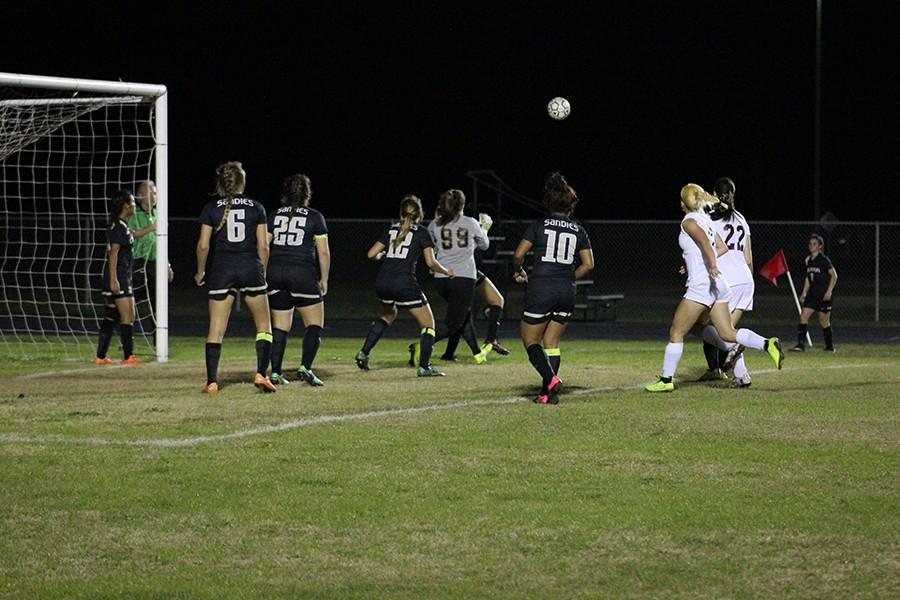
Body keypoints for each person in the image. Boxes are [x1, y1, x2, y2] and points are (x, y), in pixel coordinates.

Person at [645, 184, 783, 393]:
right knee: (727, 333)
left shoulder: (690, 221)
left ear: (683, 203)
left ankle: (666, 380)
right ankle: (766, 344)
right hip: (719, 286)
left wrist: (711, 265)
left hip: (702, 286)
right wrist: (699, 262)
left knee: (676, 331)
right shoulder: (706, 220)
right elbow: (722, 247)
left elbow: (707, 245)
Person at [511, 172, 594, 404]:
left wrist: (518, 270)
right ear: (570, 207)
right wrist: (569, 277)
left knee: (531, 341)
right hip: (567, 290)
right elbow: (589, 265)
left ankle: (550, 378)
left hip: (542, 288)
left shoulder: (538, 226)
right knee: (552, 343)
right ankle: (547, 394)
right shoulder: (579, 230)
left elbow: (518, 254)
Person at [195, 161, 276, 394]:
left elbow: (203, 245)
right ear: (242, 182)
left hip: (223, 269)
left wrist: (200, 271)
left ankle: (212, 381)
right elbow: (264, 246)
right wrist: (263, 271)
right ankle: (261, 373)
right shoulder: (257, 207)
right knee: (263, 325)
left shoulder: (211, 208)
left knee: (216, 328)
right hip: (250, 267)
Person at [356, 195, 455, 377]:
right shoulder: (422, 232)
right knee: (429, 324)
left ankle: (364, 352)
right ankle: (424, 367)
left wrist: (382, 256)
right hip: (403, 282)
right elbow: (431, 263)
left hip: (383, 281)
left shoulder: (391, 229)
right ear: (420, 214)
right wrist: (446, 270)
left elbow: (371, 254)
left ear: (401, 212)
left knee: (387, 315)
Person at [266, 174, 330, 386]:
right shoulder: (315, 217)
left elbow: (264, 247)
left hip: (275, 272)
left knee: (280, 326)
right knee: (314, 324)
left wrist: (264, 273)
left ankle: (275, 372)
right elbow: (323, 253)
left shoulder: (274, 215)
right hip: (301, 273)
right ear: (307, 194)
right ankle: (305, 368)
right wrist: (325, 279)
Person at [419, 189, 491, 365]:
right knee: (454, 324)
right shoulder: (471, 222)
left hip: (441, 277)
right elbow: (485, 245)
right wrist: (485, 229)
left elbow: (432, 248)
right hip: (463, 277)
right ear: (462, 205)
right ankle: (420, 346)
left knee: (462, 315)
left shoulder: (434, 224)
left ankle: (476, 354)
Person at [697, 177, 756, 388]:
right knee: (726, 330)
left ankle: (740, 367)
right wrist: (747, 283)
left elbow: (706, 251)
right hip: (745, 280)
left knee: (704, 327)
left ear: (714, 193)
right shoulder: (741, 218)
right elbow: (748, 259)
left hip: (726, 279)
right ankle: (736, 374)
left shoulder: (709, 218)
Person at [95, 190, 140, 365]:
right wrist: (114, 280)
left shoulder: (120, 225)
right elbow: (112, 253)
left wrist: (152, 229)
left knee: (112, 315)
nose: (135, 205)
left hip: (120, 276)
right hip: (119, 277)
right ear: (126, 206)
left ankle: (100, 356)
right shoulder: (118, 227)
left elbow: (132, 235)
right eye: (133, 202)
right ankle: (129, 356)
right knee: (128, 316)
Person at [128, 180, 173, 343]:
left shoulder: (158, 212)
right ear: (140, 196)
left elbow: (161, 241)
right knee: (130, 301)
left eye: (155, 193)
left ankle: (158, 340)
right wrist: (151, 228)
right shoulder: (133, 213)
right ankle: (127, 338)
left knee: (159, 303)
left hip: (156, 264)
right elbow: (130, 234)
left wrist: (167, 264)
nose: (154, 196)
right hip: (137, 263)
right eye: (150, 192)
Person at [791, 233, 838, 352]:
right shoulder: (808, 260)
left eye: (815, 244)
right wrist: (804, 293)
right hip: (812, 295)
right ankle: (800, 345)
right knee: (803, 317)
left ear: (820, 246)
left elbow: (834, 275)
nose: (812, 246)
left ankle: (829, 347)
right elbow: (808, 277)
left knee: (824, 322)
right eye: (810, 244)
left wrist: (829, 291)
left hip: (823, 296)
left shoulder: (824, 260)